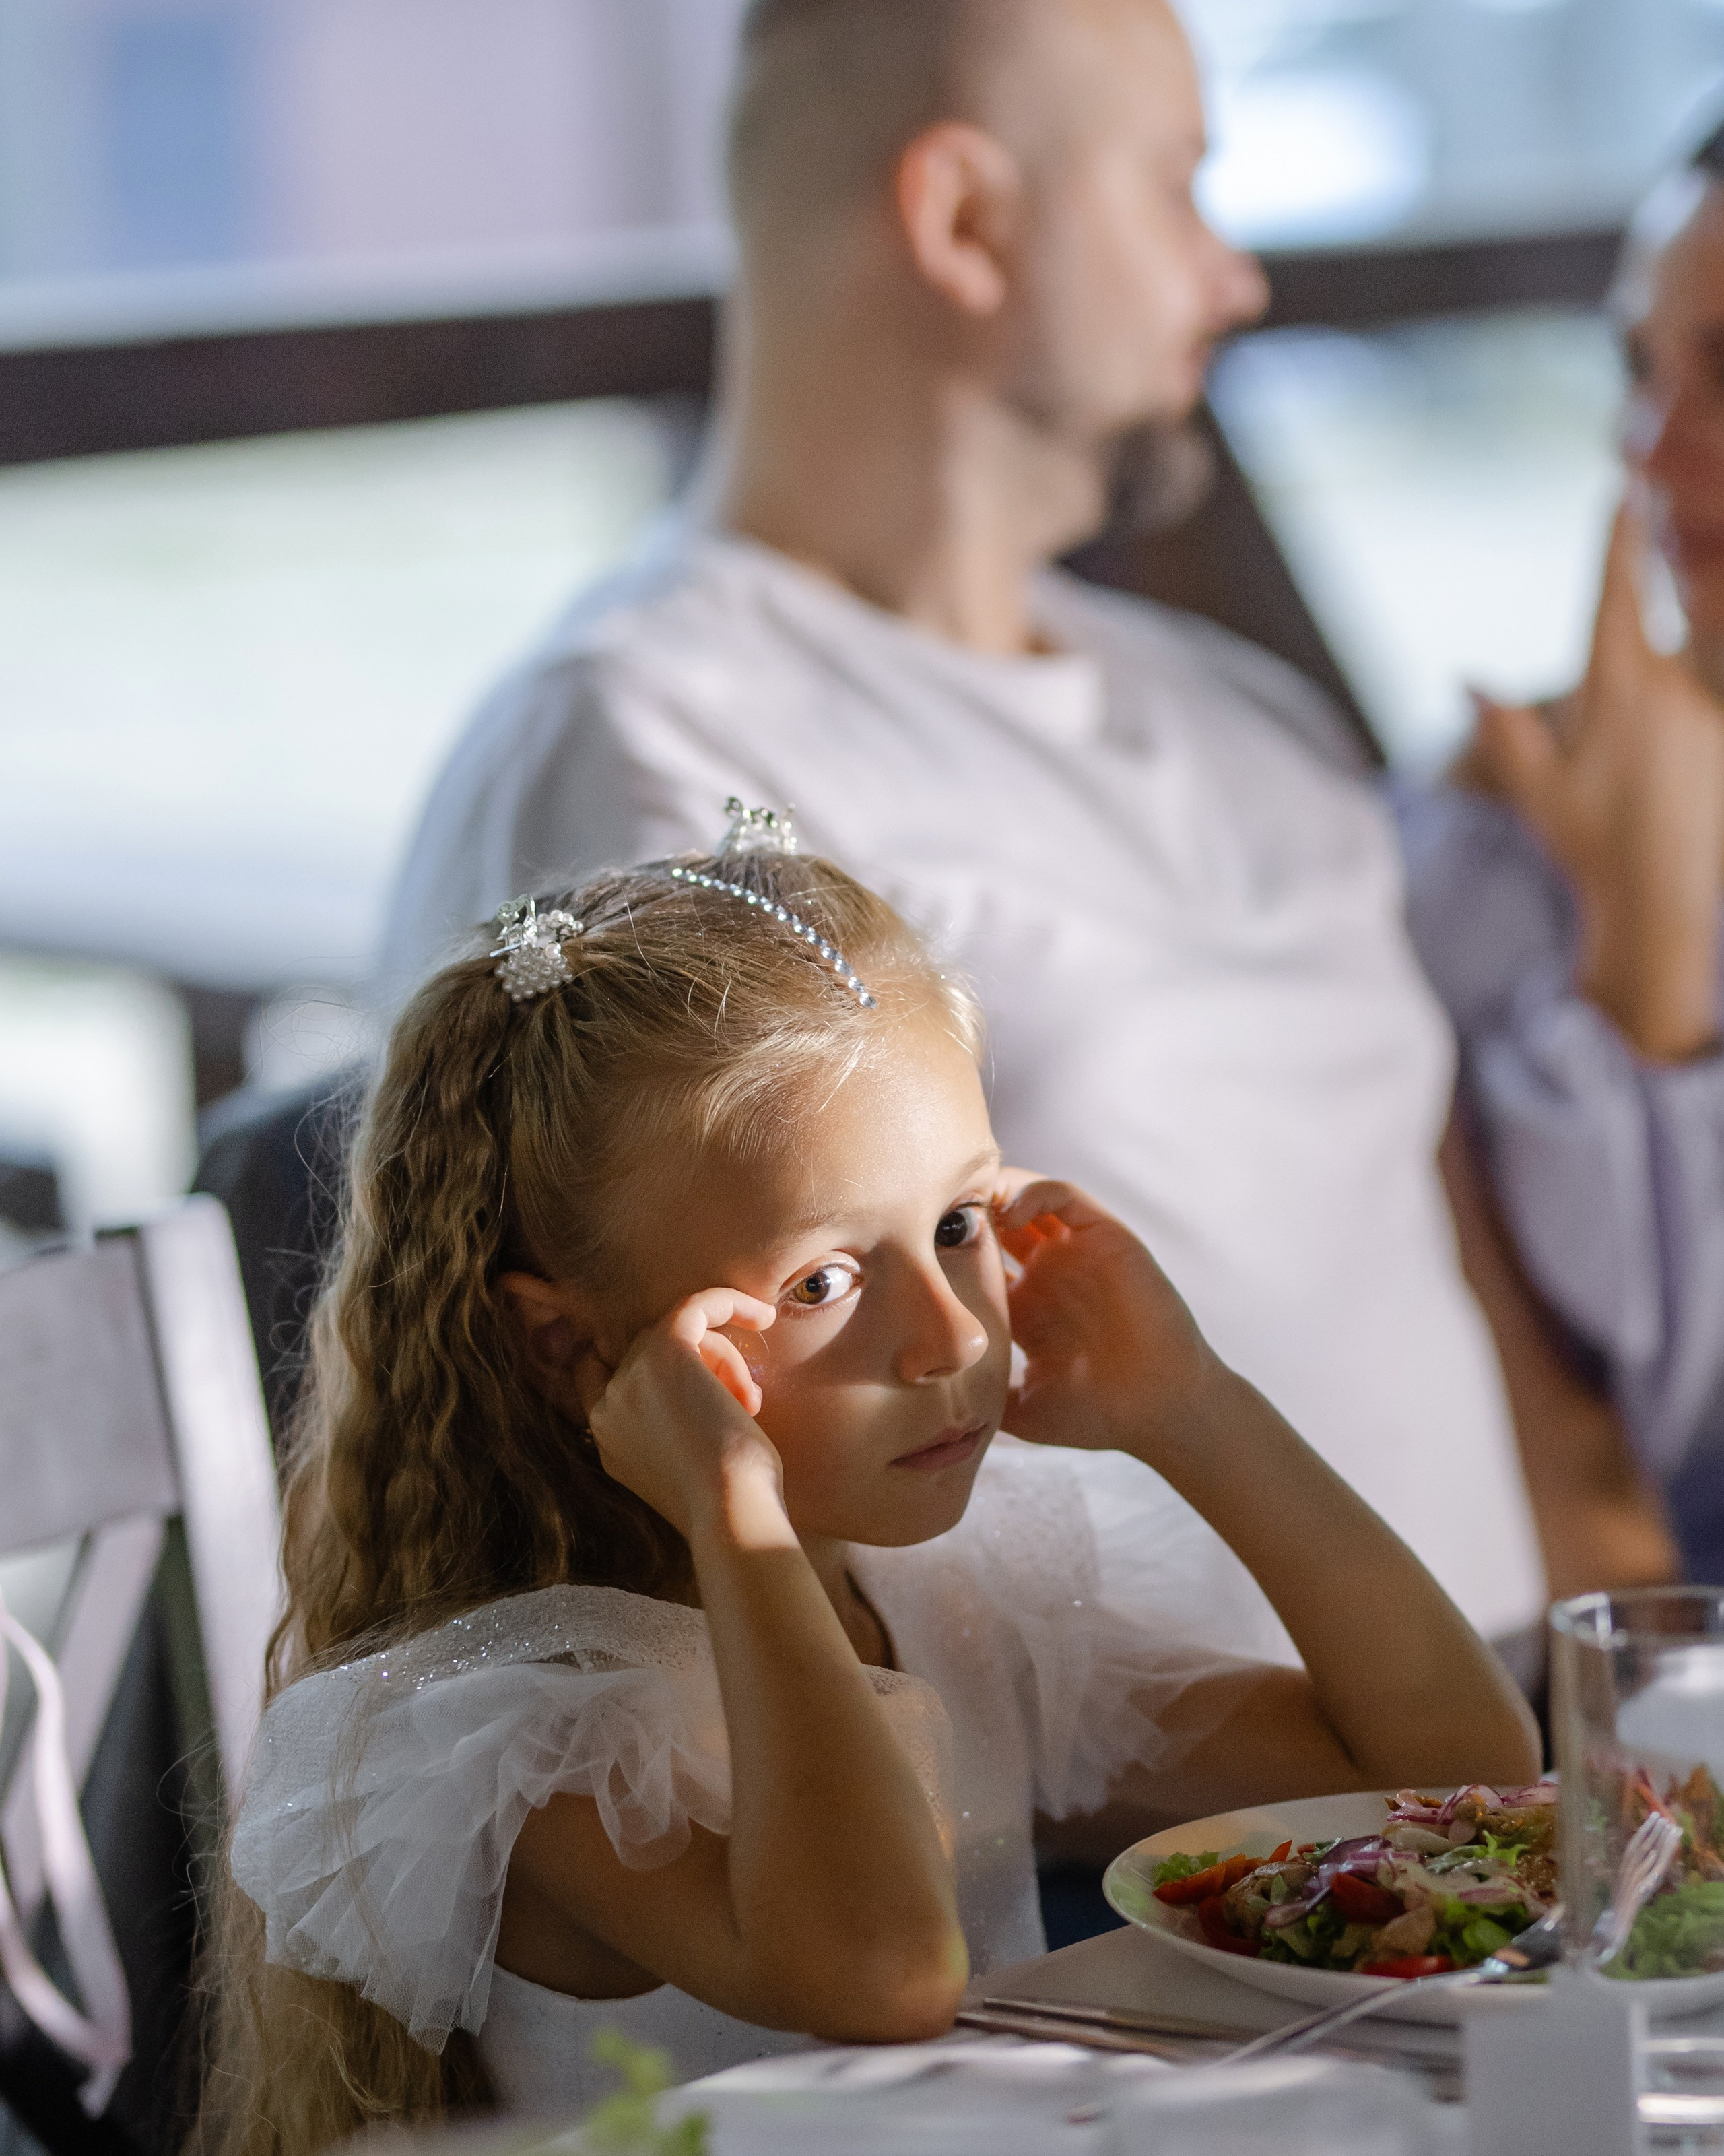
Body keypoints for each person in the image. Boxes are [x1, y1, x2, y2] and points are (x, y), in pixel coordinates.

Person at [382, 0, 1679, 1668]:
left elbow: (1474, 1302)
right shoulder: (651, 742)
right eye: (1175, 187)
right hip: (1131, 1848)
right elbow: (657, 1505)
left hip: (1483, 1773)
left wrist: (1623, 1709)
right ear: (964, 222)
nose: (1236, 278)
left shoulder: (1241, 715)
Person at [210, 835, 1537, 2156]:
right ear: (571, 1352)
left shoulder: (953, 1609)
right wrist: (739, 1515)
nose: (949, 1334)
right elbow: (881, 1975)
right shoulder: (532, 1738)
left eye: (960, 1224)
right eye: (825, 1281)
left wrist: (1192, 1407)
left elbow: (1446, 1769)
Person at [1399, 117, 1724, 1579]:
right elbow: (1651, 1452)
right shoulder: (1483, 849)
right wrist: (1634, 940)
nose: (1648, 446)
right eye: (1638, 369)